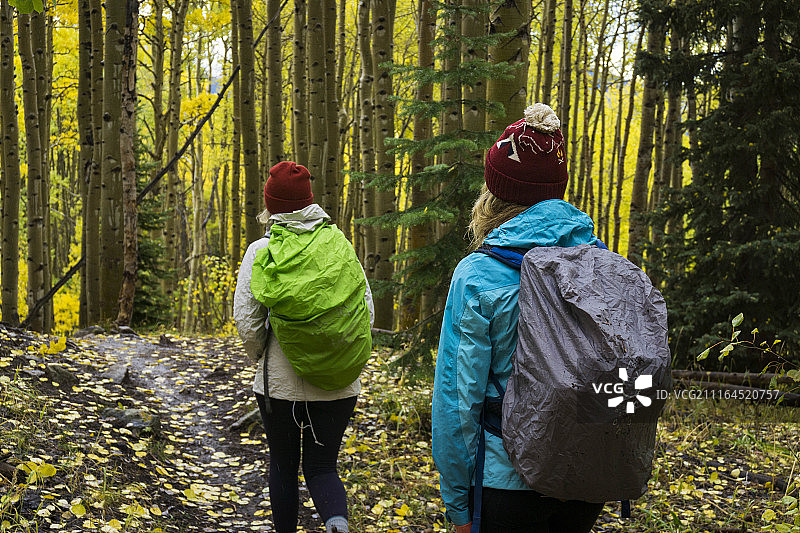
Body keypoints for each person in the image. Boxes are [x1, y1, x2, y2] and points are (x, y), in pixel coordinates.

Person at [431, 103, 605, 533]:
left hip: (505, 482)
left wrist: (457, 505)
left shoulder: (477, 275)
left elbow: (457, 401)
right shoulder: (602, 263)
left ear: (494, 193)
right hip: (583, 477)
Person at [233, 161, 374, 533]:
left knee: (282, 464)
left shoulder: (260, 252)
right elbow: (366, 311)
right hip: (339, 385)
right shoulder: (340, 247)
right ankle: (338, 525)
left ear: (271, 205)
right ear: (310, 201)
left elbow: (248, 323)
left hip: (279, 387)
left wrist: (263, 353)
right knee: (323, 466)